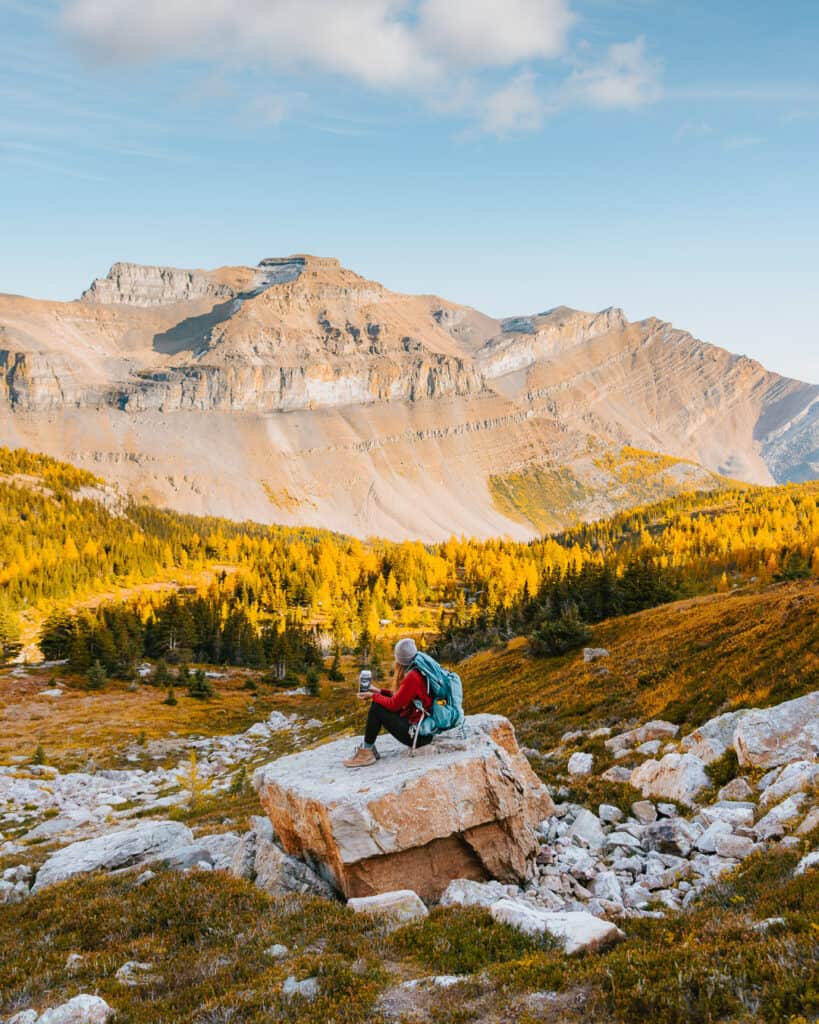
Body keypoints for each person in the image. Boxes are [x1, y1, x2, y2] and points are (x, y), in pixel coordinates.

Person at [343, 637, 433, 768]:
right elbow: (401, 697)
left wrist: (373, 696)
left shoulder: (412, 677)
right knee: (378, 703)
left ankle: (367, 753)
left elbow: (394, 704)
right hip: (424, 730)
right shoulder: (418, 669)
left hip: (418, 736)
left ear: (400, 659)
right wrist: (378, 691)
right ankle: (369, 749)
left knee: (377, 707)